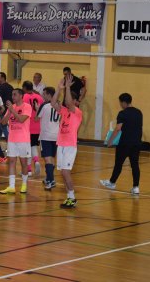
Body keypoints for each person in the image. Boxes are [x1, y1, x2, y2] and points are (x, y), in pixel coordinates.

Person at [100, 93, 143, 195]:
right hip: (136, 143)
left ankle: (112, 183)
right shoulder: (139, 112)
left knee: (118, 164)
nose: (120, 104)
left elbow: (118, 128)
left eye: (120, 102)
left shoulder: (122, 113)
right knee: (135, 165)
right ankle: (136, 187)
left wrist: (110, 141)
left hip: (124, 143)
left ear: (123, 102)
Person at [51, 75, 83, 208]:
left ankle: (73, 197)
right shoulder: (64, 111)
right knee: (63, 173)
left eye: (70, 99)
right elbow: (53, 103)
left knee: (65, 172)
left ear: (76, 101)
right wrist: (59, 89)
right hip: (61, 144)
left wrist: (68, 88)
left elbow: (69, 103)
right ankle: (69, 198)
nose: (67, 102)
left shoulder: (77, 112)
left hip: (70, 145)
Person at [0, 89, 32, 195]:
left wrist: (12, 110)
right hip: (12, 139)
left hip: (23, 139)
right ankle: (11, 186)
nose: (13, 96)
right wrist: (9, 112)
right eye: (12, 94)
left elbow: (21, 119)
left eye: (15, 94)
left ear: (21, 96)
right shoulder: (11, 108)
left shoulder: (27, 106)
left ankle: (24, 185)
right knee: (11, 162)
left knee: (23, 163)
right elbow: (3, 122)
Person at [36, 87, 60, 190]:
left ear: (49, 95)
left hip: (46, 135)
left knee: (47, 159)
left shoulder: (44, 105)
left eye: (44, 94)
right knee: (52, 158)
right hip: (56, 135)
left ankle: (50, 181)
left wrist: (37, 109)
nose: (42, 96)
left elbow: (36, 118)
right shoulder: (59, 105)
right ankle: (50, 178)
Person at [23, 81, 44, 177]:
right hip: (37, 125)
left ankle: (29, 170)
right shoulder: (39, 97)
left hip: (28, 125)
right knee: (34, 145)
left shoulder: (24, 97)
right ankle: (36, 161)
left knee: (27, 147)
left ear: (24, 88)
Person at [0, 72, 13, 138]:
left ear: (3, 78)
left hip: (3, 112)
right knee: (0, 128)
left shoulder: (0, 88)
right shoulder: (11, 87)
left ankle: (9, 140)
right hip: (10, 111)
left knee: (3, 127)